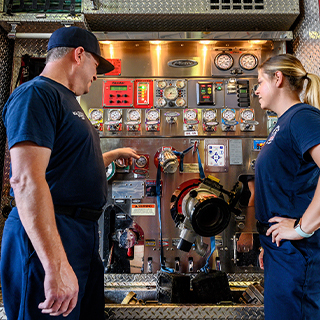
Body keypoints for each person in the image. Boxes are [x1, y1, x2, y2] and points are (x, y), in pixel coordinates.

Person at [0, 26, 139, 320]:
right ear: (78, 55)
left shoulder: (67, 101)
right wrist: (55, 264)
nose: (96, 74)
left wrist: (113, 155)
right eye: (95, 65)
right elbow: (25, 180)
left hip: (79, 234)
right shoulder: (36, 95)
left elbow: (66, 165)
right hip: (52, 230)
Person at [254, 54, 320, 320]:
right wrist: (269, 239)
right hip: (281, 252)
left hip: (298, 255)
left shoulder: (302, 117)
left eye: (259, 82)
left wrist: (301, 227)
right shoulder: (282, 124)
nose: (256, 89)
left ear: (278, 78)